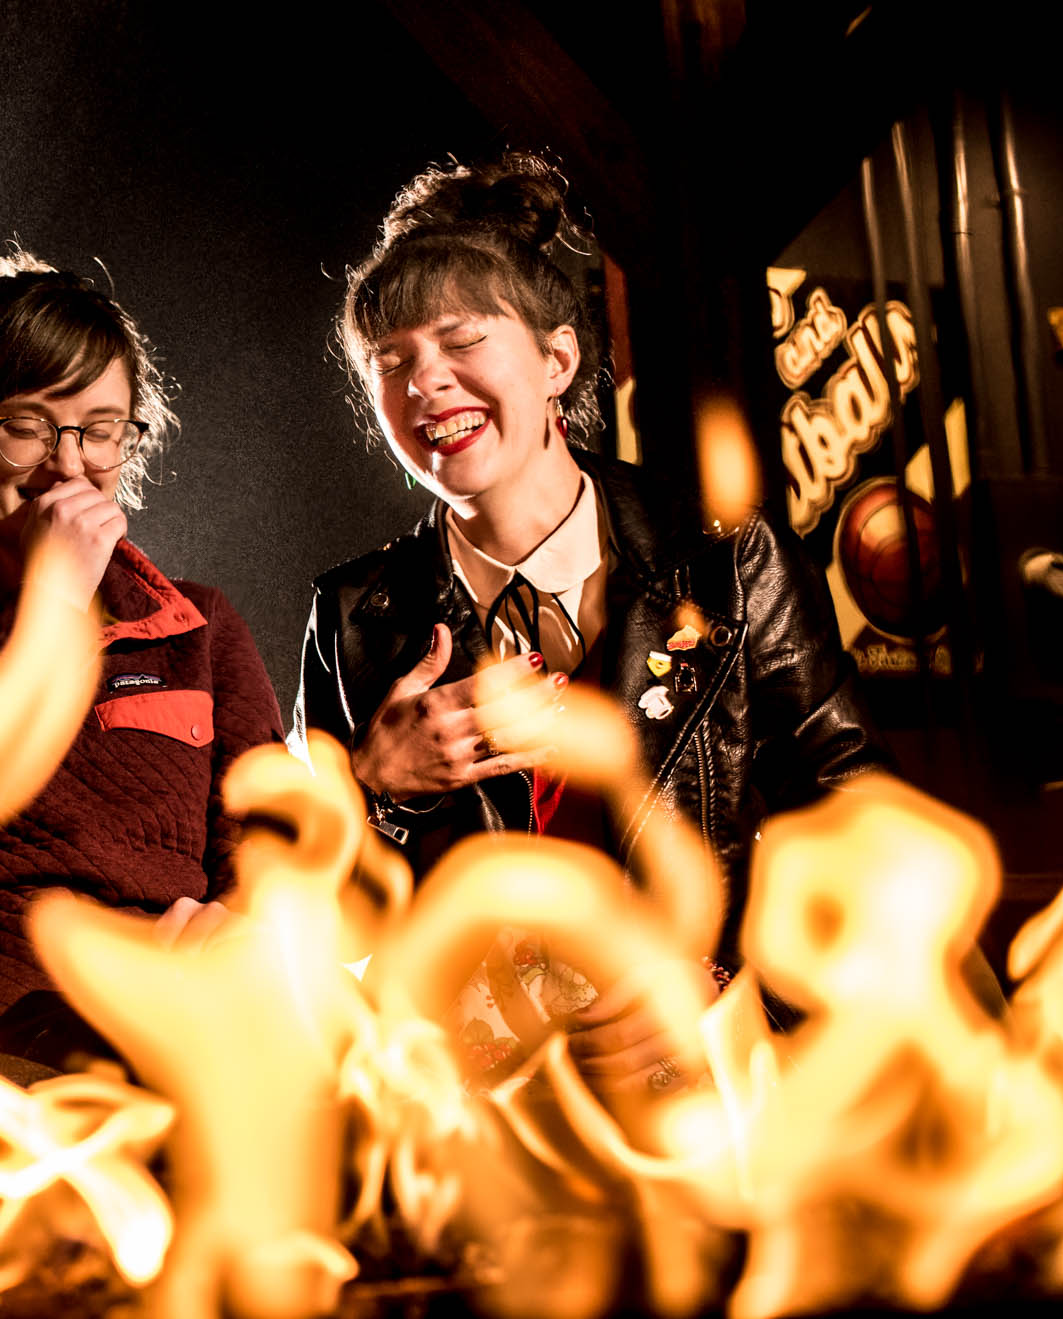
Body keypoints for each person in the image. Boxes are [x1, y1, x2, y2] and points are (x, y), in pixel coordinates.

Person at [292, 154, 889, 1092]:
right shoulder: (355, 616)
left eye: (459, 340)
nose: (426, 382)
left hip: (721, 1092)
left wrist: (742, 1001)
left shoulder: (727, 561)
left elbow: (861, 829)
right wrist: (375, 784)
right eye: (392, 361)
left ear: (558, 357)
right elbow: (307, 923)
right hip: (487, 1121)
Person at [0, 252, 286, 1078]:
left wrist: (245, 921)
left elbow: (274, 855)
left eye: (101, 429)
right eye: (30, 425)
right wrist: (48, 610)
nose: (70, 465)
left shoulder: (198, 626)